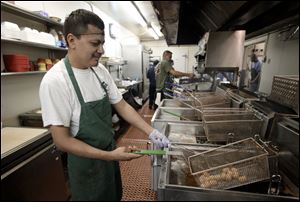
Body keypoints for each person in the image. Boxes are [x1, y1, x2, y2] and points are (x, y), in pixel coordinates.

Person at [39, 9, 169, 201]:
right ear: (72, 40)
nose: (101, 50)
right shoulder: (56, 81)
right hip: (86, 165)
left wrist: (151, 132)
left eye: (102, 43)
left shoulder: (99, 71)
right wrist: (109, 156)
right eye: (95, 43)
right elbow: (62, 141)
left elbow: (122, 106)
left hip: (109, 155)